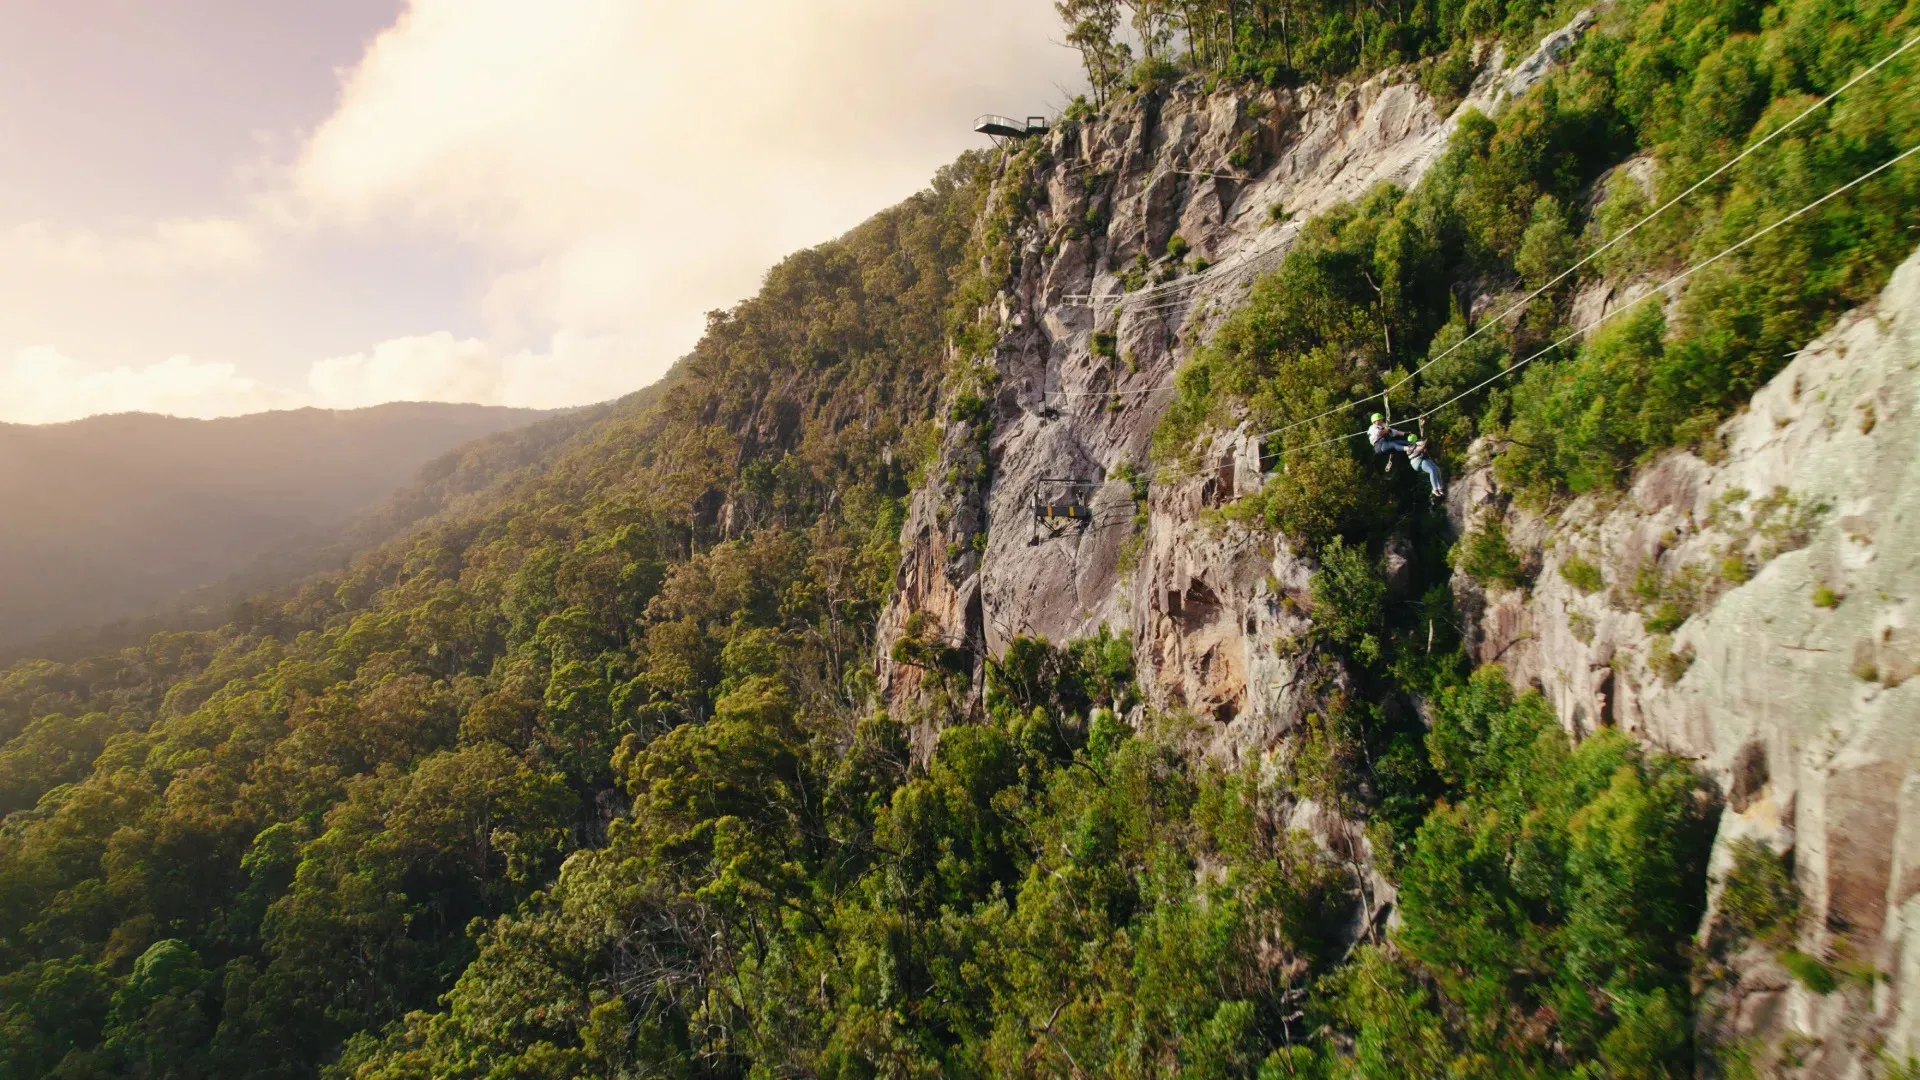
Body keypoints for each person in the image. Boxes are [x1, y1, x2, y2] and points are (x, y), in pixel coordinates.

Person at [1367, 412, 1445, 497]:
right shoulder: (1372, 428)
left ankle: (1440, 488)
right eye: (1380, 420)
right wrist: (1422, 446)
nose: (1382, 421)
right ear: (1375, 421)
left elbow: (1395, 432)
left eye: (1382, 420)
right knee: (1432, 470)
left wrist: (1405, 434)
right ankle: (1435, 488)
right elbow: (1380, 433)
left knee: (1436, 469)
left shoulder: (1384, 427)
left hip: (1390, 445)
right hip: (1380, 446)